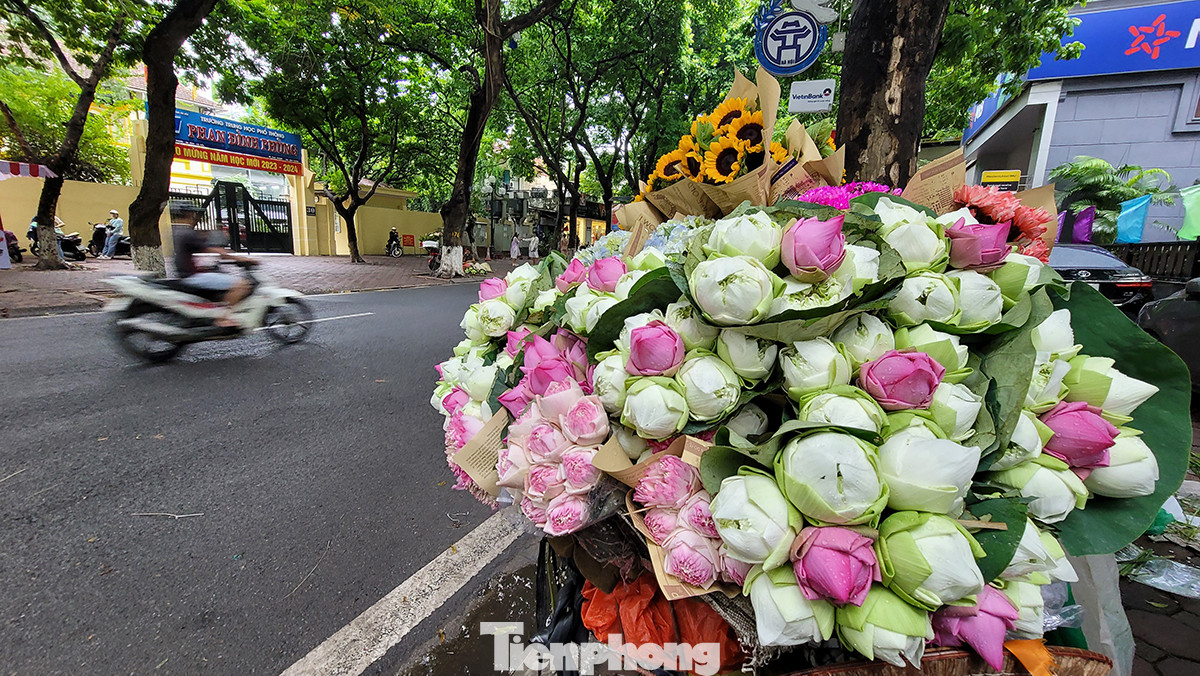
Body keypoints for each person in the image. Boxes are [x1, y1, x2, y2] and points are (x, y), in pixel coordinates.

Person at [171, 202, 254, 328]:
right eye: (193, 214)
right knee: (242, 284)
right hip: (191, 276)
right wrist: (240, 258)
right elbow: (213, 250)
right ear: (189, 214)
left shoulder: (178, 231)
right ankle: (222, 318)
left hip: (186, 273)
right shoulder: (187, 233)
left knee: (217, 273)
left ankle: (215, 308)